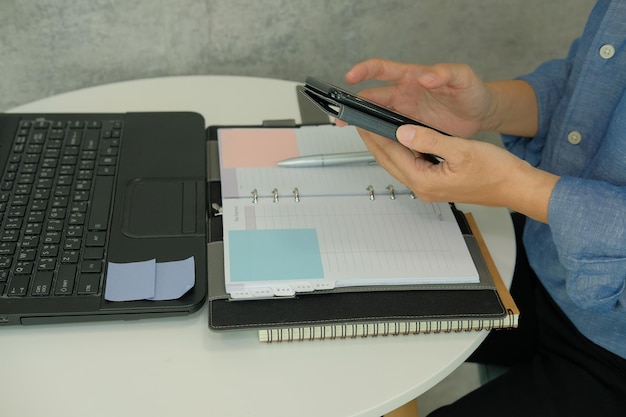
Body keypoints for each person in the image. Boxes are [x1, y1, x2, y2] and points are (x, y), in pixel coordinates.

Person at [341, 0, 626, 415]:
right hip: (543, 264)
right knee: (349, 306)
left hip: (614, 354)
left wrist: (517, 187)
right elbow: (591, 85)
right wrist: (490, 107)